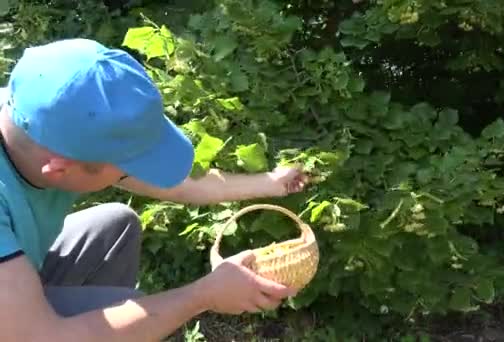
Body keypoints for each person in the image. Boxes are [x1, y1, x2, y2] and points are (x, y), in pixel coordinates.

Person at [0, 38, 309, 341]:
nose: (135, 174)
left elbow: (178, 184)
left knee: (116, 227)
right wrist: (203, 296)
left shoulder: (41, 120)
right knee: (130, 313)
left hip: (16, 279)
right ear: (59, 168)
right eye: (127, 166)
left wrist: (271, 183)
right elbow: (37, 336)